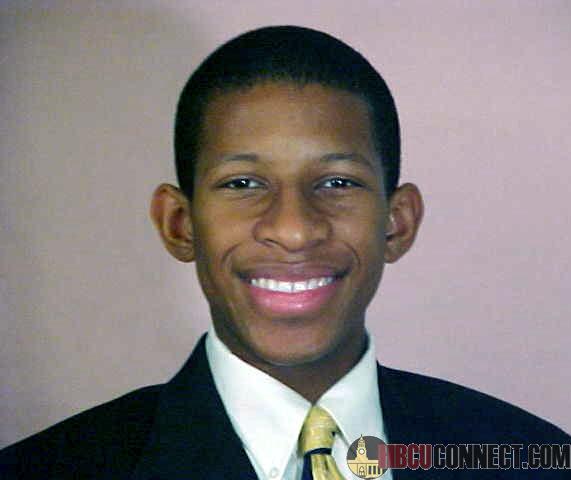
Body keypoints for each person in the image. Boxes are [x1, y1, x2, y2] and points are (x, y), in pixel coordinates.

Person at [1, 26, 569, 480]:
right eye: (243, 184)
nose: (294, 230)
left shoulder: (530, 459)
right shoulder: (44, 470)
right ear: (180, 224)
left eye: (338, 182)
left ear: (397, 223)